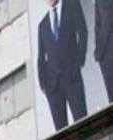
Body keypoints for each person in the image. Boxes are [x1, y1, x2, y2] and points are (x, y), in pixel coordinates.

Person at [36, 0, 89, 132]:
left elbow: (83, 32)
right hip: (53, 85)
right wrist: (43, 83)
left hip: (71, 76)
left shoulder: (71, 6)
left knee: (82, 122)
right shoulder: (43, 25)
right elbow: (41, 57)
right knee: (61, 131)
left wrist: (79, 61)